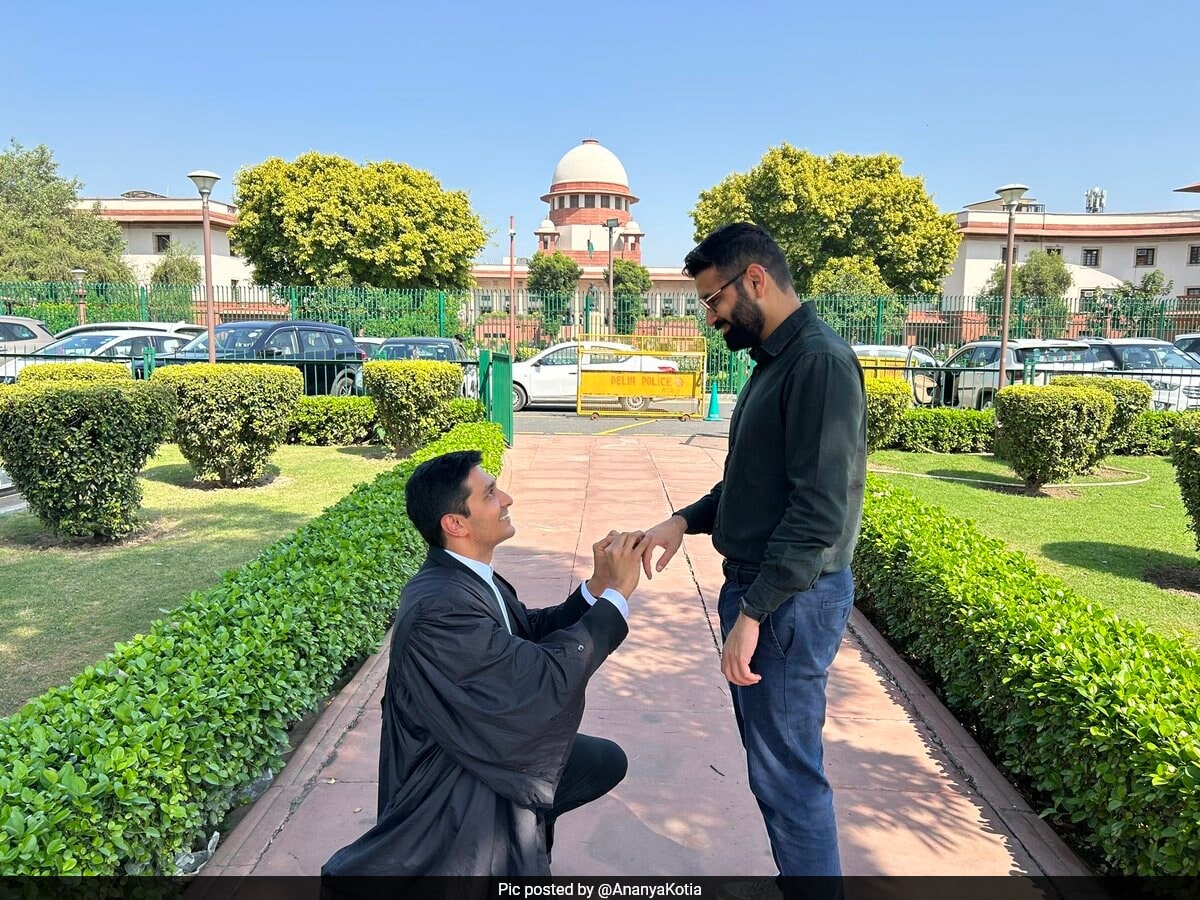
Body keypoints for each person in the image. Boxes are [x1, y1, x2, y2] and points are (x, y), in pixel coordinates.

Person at [639, 223, 867, 892]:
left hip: (789, 601)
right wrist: (682, 520)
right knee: (775, 766)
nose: (710, 318)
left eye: (714, 301)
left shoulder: (818, 364)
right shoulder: (776, 364)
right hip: (768, 594)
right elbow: (750, 487)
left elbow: (817, 513)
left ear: (756, 281)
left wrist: (755, 614)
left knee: (788, 772)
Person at [322, 450, 646, 877]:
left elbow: (524, 633)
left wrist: (596, 588)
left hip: (477, 737)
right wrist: (618, 595)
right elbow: (535, 678)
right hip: (448, 766)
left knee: (602, 762)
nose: (507, 499)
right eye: (491, 494)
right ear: (455, 524)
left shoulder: (466, 576)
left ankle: (529, 827)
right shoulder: (439, 607)